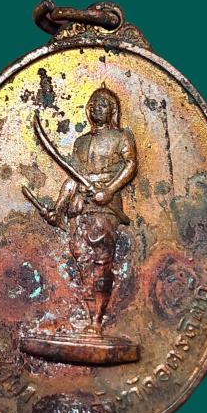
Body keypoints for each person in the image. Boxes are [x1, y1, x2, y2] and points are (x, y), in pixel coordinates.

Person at [45, 84, 138, 334]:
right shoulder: (81, 142)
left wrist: (109, 189)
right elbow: (72, 178)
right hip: (81, 206)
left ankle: (98, 320)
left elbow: (130, 165)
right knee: (81, 257)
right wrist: (59, 207)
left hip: (106, 207)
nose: (98, 107)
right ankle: (90, 315)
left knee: (102, 259)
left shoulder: (121, 137)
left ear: (112, 110)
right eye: (94, 104)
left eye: (103, 104)